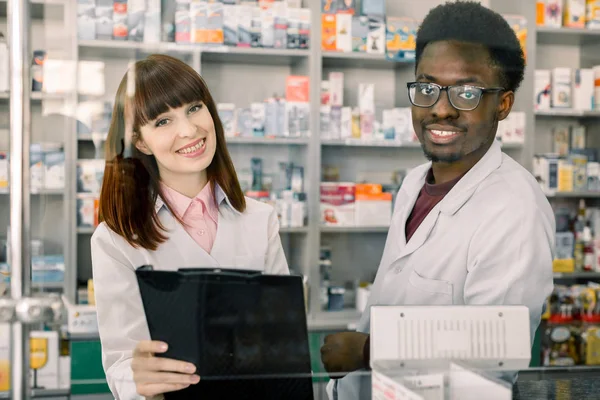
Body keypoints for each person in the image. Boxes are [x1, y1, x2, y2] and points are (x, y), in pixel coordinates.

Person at [320, 2, 555, 399]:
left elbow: (494, 351)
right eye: (427, 88)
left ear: (503, 104)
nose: (441, 109)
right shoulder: (414, 183)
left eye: (467, 92)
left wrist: (368, 351)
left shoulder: (515, 210)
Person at [91, 54, 290, 400]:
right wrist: (138, 379)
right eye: (163, 121)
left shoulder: (261, 219)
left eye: (194, 108)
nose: (189, 130)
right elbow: (122, 364)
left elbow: (284, 341)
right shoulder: (115, 240)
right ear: (140, 141)